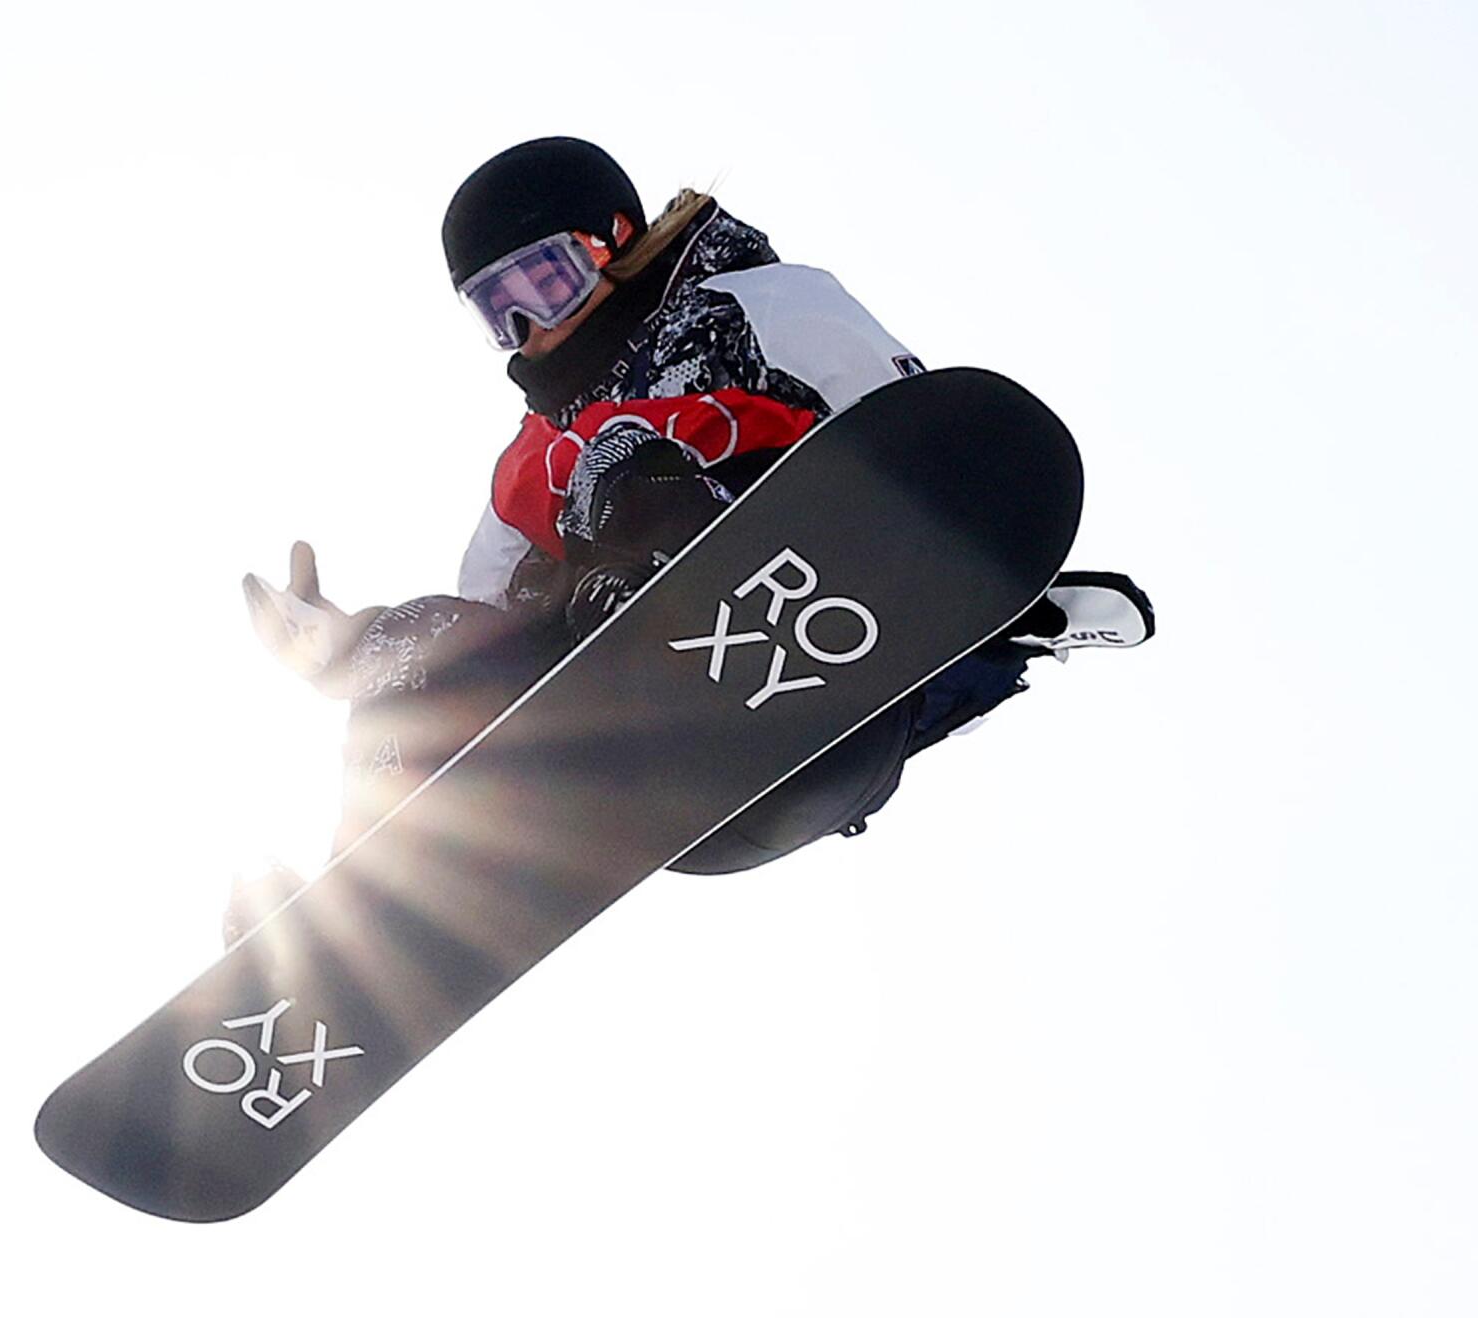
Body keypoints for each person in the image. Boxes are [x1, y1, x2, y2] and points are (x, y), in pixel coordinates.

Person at [227, 137, 1152, 941]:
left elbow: (909, 449)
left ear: (614, 240)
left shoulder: (765, 308)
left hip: (815, 720)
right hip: (664, 790)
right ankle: (351, 924)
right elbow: (472, 638)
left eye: (542, 285)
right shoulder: (525, 468)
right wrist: (356, 650)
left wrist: (1004, 605)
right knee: (416, 634)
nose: (528, 330)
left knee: (628, 465)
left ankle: (661, 598)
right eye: (495, 312)